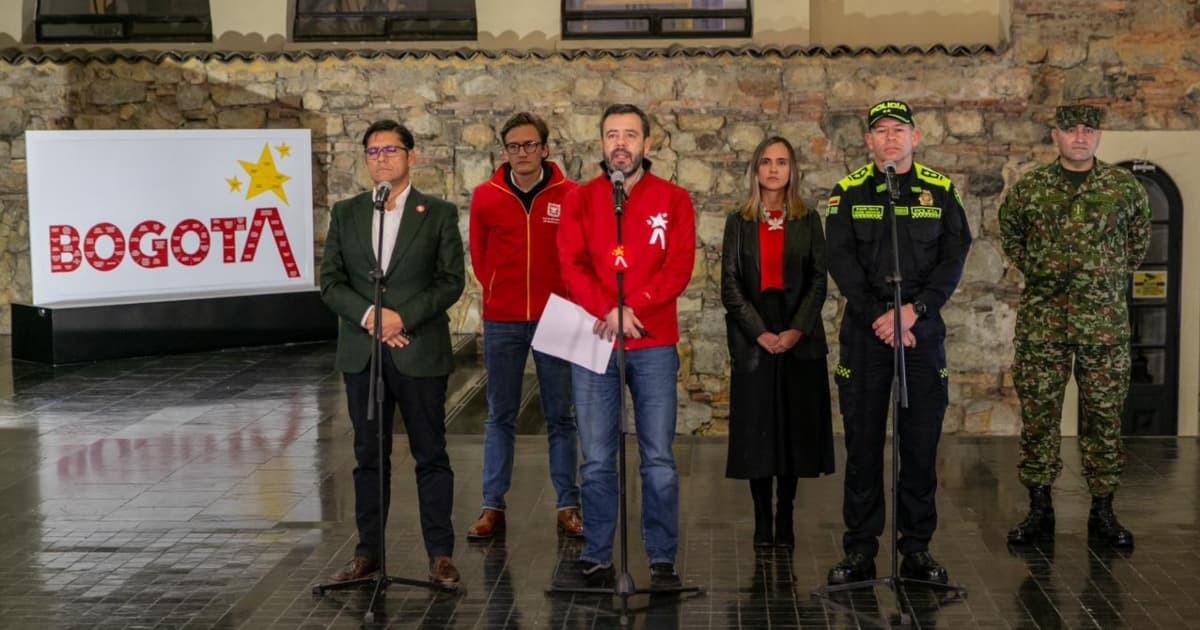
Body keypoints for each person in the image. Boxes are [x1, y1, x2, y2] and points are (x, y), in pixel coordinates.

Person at [824, 100, 972, 585]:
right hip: (867, 335)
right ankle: (860, 550)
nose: (890, 138)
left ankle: (917, 549)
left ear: (916, 137)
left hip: (921, 334)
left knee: (920, 446)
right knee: (863, 447)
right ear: (868, 141)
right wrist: (882, 316)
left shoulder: (940, 191)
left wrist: (914, 311)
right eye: (881, 131)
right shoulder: (848, 192)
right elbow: (842, 262)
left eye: (899, 130)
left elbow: (953, 258)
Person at [320, 119, 465, 587]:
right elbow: (330, 282)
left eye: (390, 150)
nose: (381, 158)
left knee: (431, 454)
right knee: (368, 457)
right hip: (363, 355)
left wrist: (401, 319)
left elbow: (450, 281)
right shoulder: (347, 213)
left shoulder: (437, 213)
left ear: (411, 156)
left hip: (418, 351)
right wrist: (372, 317)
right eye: (373, 152)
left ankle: (440, 555)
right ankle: (368, 554)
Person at [556, 103, 696, 588]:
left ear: (647, 143)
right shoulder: (580, 199)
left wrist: (635, 306)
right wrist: (608, 309)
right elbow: (572, 264)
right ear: (601, 144)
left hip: (653, 342)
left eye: (630, 135)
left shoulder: (674, 199)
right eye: (612, 135)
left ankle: (661, 556)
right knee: (597, 457)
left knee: (658, 458)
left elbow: (679, 266)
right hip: (596, 338)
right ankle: (597, 552)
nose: (620, 143)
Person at [999, 105, 1151, 549]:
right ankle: (1039, 509)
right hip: (1043, 323)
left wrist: (1101, 277)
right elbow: (1012, 237)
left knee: (1104, 418)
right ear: (1055, 136)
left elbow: (1137, 243)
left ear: (1099, 136)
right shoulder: (1031, 189)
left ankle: (1103, 510)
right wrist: (1044, 272)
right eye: (1071, 130)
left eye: (1089, 129)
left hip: (1103, 325)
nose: (1080, 137)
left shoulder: (1124, 188)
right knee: (1039, 417)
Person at [466, 112, 583, 541]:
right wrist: (498, 291)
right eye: (514, 146)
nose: (522, 152)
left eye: (530, 144)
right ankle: (492, 506)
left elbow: (580, 254)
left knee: (561, 416)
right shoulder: (486, 196)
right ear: (505, 152)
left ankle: (568, 505)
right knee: (500, 415)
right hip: (503, 319)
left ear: (545, 149)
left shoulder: (571, 195)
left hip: (558, 315)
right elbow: (480, 255)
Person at [720, 136, 834, 551]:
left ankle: (785, 514)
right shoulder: (739, 221)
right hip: (754, 338)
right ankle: (761, 519)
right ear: (755, 170)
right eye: (766, 162)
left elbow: (819, 281)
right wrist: (760, 332)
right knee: (758, 434)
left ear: (792, 171)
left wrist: (796, 330)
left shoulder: (809, 220)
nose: (773, 169)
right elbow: (730, 286)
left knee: (792, 432)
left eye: (781, 162)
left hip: (798, 337)